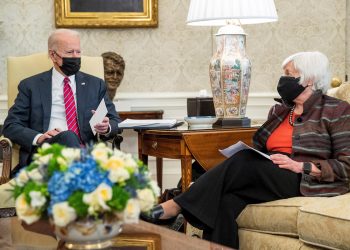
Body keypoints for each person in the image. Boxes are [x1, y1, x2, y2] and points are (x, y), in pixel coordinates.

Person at [141, 51, 350, 249]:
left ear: (309, 79)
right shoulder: (279, 111)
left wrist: (300, 166)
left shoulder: (336, 110)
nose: (282, 79)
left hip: (303, 178)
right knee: (226, 201)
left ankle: (177, 205)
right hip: (269, 173)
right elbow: (261, 148)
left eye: (288, 74)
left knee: (242, 160)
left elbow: (346, 165)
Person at [2, 29, 121, 175]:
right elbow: (11, 126)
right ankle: (84, 176)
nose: (76, 57)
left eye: (78, 52)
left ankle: (80, 175)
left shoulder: (95, 85)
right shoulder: (31, 86)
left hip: (86, 151)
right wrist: (39, 138)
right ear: (53, 55)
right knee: (68, 135)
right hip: (46, 153)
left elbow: (115, 120)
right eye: (70, 52)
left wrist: (106, 127)